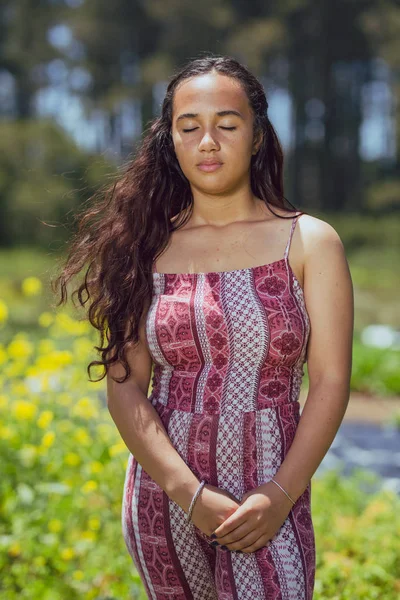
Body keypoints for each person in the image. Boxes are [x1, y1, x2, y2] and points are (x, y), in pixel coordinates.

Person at [53, 54, 354, 599]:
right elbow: (125, 388)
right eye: (189, 127)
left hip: (269, 495)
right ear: (170, 141)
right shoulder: (143, 247)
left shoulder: (310, 242)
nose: (208, 141)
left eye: (227, 125)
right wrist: (187, 492)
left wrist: (280, 495)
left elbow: (331, 380)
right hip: (164, 497)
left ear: (257, 135)